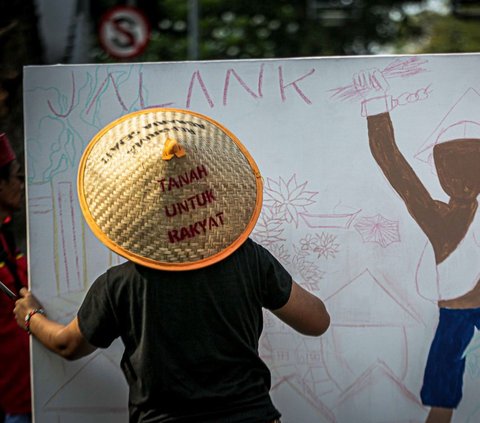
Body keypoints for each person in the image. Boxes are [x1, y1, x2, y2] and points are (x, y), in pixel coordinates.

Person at [13, 109, 330, 423]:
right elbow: (316, 321)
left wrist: (30, 316)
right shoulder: (248, 259)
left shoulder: (119, 285)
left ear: (131, 210)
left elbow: (68, 344)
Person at [358, 70, 480, 423]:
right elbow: (395, 166)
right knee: (442, 398)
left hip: (455, 312)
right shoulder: (441, 217)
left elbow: (396, 167)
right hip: (455, 313)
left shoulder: (440, 216)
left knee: (441, 400)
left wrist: (377, 109)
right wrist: (377, 110)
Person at [0, 133, 31, 423]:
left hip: (34, 390)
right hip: (12, 400)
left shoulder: (8, 234)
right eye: (16, 177)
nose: (21, 186)